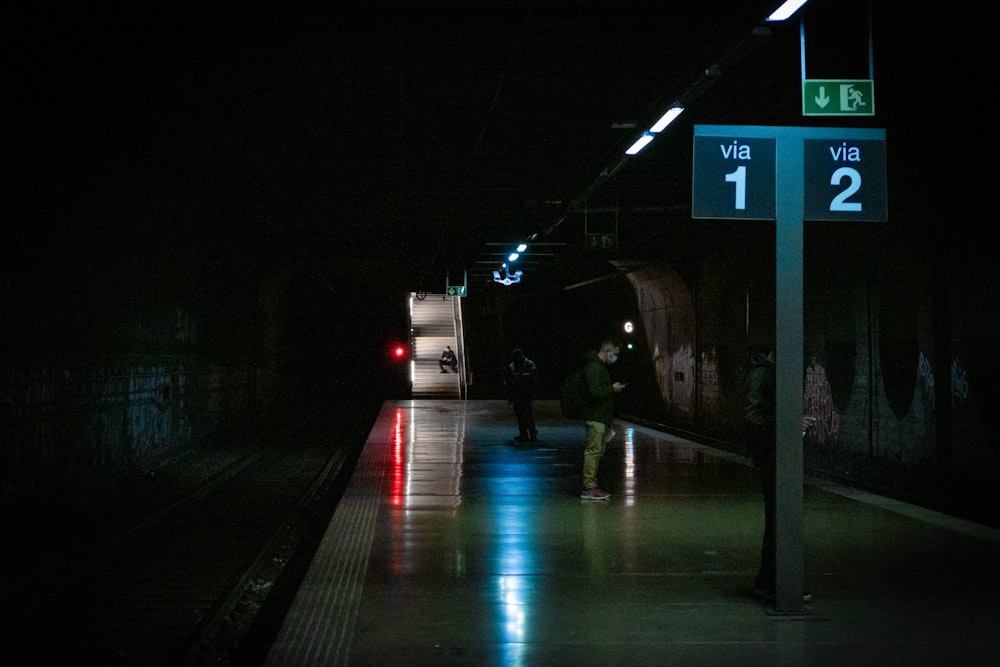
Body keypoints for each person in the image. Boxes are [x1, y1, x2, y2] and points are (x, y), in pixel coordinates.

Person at [743, 344, 815, 602]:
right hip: (769, 454)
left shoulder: (768, 373)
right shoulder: (762, 375)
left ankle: (766, 580)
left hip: (773, 454)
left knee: (776, 518)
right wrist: (788, 422)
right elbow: (753, 416)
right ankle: (779, 583)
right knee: (779, 518)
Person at [578, 337, 627, 500]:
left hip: (601, 418)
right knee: (593, 451)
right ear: (607, 351)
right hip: (595, 416)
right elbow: (594, 392)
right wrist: (612, 389)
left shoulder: (599, 367)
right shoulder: (593, 367)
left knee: (598, 451)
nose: (615, 357)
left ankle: (592, 484)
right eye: (614, 354)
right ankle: (589, 487)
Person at [504, 348, 538, 443]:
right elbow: (508, 381)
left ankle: (532, 432)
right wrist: (510, 394)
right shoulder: (512, 366)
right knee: (519, 414)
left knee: (527, 414)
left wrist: (520, 377)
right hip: (517, 394)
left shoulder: (529, 364)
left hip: (526, 393)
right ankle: (523, 433)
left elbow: (533, 377)